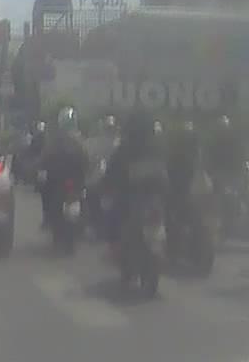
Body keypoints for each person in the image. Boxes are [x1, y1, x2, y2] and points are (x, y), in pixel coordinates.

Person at [101, 110, 169, 257]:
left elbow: (111, 172)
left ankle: (114, 247)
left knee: (113, 213)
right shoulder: (158, 146)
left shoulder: (126, 148)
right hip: (155, 196)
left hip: (137, 197)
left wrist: (107, 184)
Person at [39, 106, 89, 232]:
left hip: (64, 179)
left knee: (44, 187)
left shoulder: (58, 139)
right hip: (68, 179)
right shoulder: (78, 139)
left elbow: (45, 156)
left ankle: (48, 218)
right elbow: (86, 159)